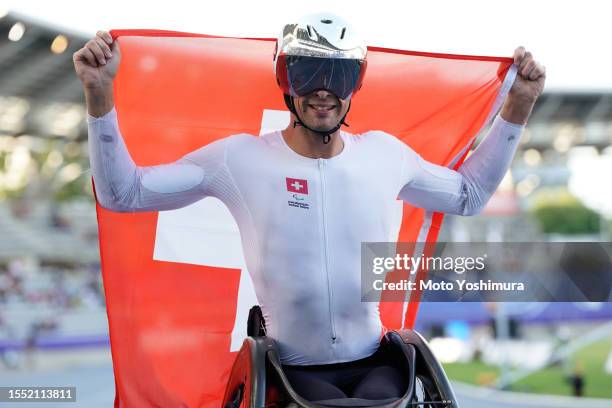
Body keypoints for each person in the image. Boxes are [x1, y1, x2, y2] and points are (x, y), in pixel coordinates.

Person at [74, 13, 545, 401]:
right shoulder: (239, 158)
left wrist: (518, 106)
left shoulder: (385, 154)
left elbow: (468, 195)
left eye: (337, 75)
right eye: (308, 73)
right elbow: (124, 193)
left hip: (376, 365)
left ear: (354, 84)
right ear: (286, 80)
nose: (324, 89)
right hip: (291, 371)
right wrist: (99, 94)